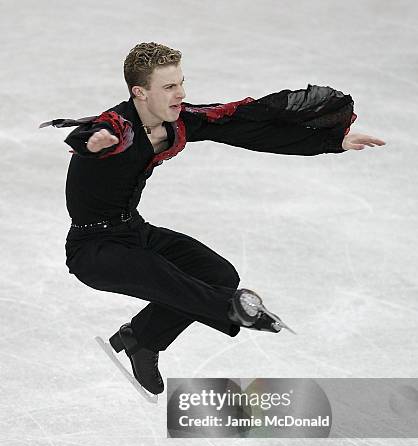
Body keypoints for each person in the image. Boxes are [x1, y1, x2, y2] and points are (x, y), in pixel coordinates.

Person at [40, 42, 385, 395]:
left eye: (181, 83)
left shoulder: (178, 123)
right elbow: (90, 135)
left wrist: (331, 140)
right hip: (93, 247)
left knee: (218, 274)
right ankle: (233, 310)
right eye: (170, 87)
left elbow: (248, 130)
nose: (181, 94)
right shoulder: (115, 127)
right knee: (169, 278)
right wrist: (94, 143)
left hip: (133, 230)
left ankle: (141, 339)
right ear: (139, 93)